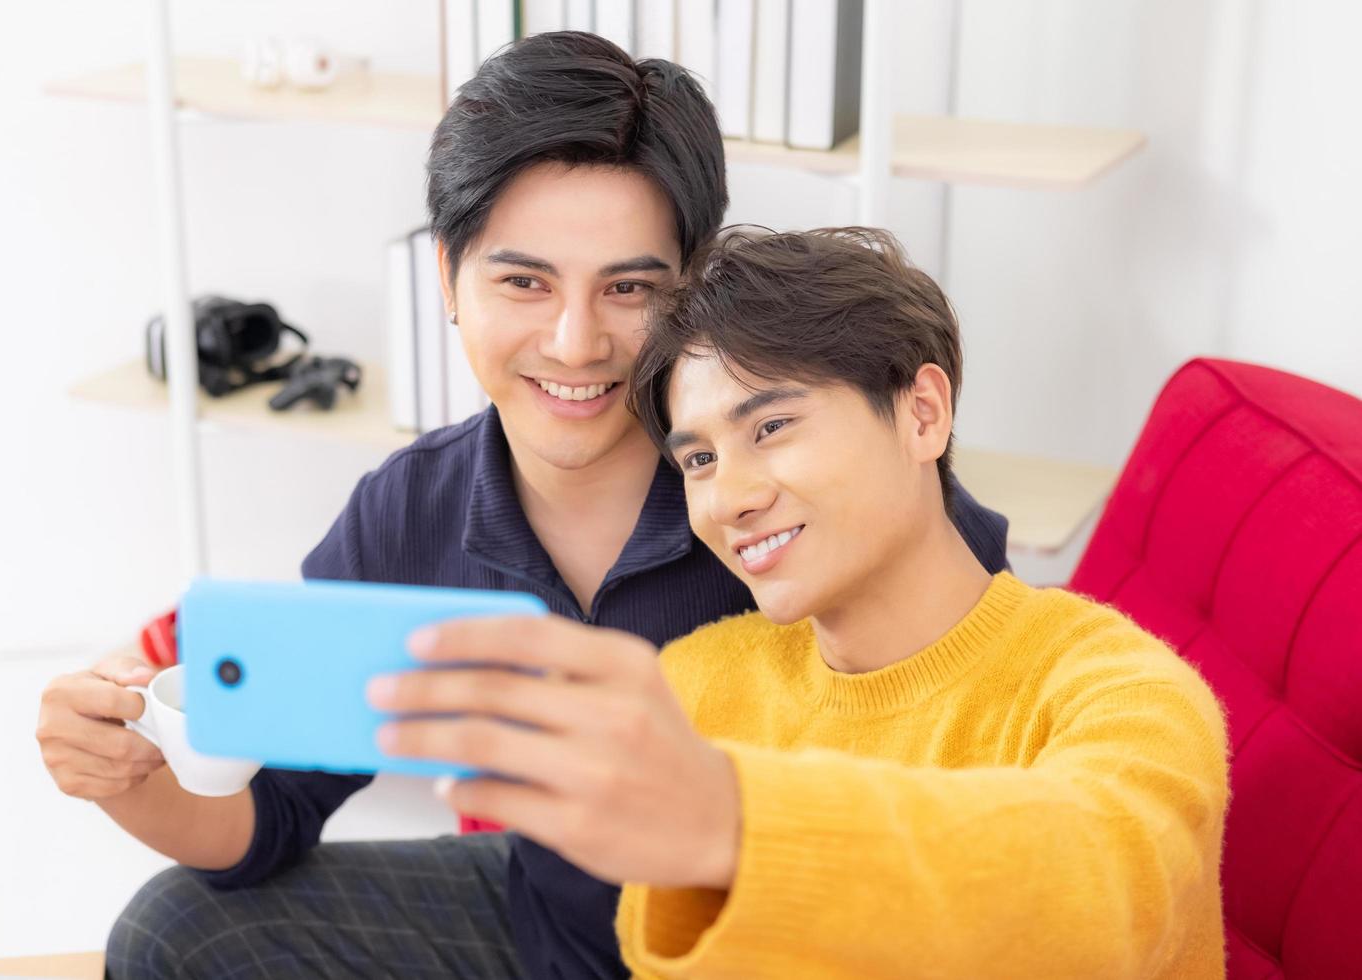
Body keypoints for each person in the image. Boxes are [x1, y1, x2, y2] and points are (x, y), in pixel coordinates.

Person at [36, 35, 1009, 979]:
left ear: (695, 286)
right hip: (548, 923)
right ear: (449, 279)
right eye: (524, 281)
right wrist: (128, 772)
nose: (576, 341)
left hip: (782, 948)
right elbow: (273, 811)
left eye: (630, 287)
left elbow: (986, 789)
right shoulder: (410, 511)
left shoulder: (795, 487)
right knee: (178, 928)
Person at [369, 227, 1230, 978]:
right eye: (699, 459)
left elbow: (1102, 893)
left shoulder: (1121, 690)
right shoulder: (699, 683)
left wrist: (734, 818)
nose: (729, 498)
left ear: (922, 414)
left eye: (771, 428)